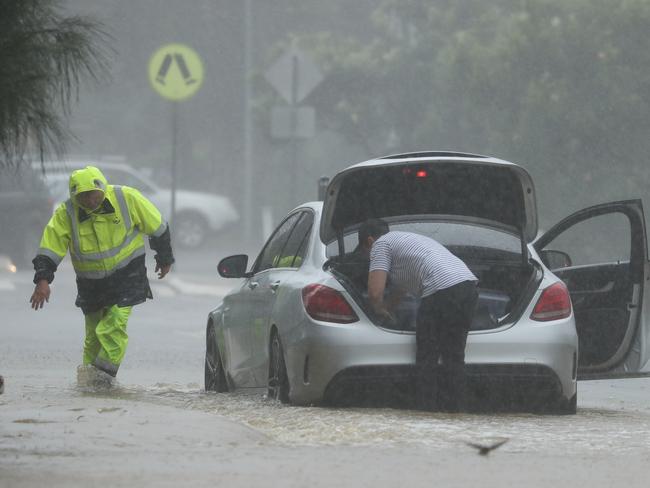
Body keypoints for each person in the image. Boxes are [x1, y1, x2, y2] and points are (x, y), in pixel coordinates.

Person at [29, 165, 174, 382]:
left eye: (93, 194)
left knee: (113, 325)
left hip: (128, 275)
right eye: (83, 197)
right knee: (94, 336)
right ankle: (87, 382)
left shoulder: (127, 198)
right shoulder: (66, 213)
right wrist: (42, 280)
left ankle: (103, 378)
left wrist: (164, 258)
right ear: (74, 196)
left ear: (102, 188)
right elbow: (50, 248)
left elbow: (158, 227)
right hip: (91, 284)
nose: (89, 201)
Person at [358, 218, 478, 412]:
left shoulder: (380, 244)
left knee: (427, 357)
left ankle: (426, 411)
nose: (369, 258)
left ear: (369, 241)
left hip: (441, 290)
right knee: (454, 357)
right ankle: (457, 411)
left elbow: (374, 293)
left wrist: (377, 310)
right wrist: (388, 309)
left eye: (366, 253)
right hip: (468, 288)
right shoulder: (407, 242)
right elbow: (400, 290)